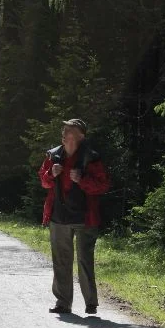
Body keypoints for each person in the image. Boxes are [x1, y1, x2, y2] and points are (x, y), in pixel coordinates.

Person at [38, 118, 110, 315]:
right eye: (64, 129)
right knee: (61, 260)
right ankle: (63, 303)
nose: (65, 132)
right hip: (59, 216)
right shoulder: (53, 156)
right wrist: (51, 174)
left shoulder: (91, 157)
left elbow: (103, 185)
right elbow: (43, 181)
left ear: (81, 136)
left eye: (70, 129)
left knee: (85, 260)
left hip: (85, 218)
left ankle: (91, 303)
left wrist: (83, 179)